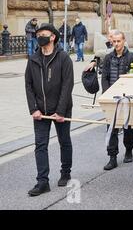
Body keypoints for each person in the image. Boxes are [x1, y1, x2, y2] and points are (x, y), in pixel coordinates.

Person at [24, 23, 74, 196]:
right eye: (38, 35)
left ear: (52, 37)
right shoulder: (33, 59)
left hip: (61, 109)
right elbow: (28, 85)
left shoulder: (63, 58)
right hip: (41, 112)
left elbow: (67, 86)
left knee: (64, 141)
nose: (39, 37)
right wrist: (33, 109)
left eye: (43, 34)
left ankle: (65, 172)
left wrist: (60, 111)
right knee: (40, 145)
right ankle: (42, 181)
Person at [101, 31, 133, 170]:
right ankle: (112, 157)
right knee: (111, 127)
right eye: (114, 41)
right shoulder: (108, 57)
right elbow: (104, 77)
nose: (116, 44)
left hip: (126, 96)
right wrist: (106, 93)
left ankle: (128, 150)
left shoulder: (130, 56)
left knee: (127, 126)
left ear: (123, 41)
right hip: (112, 97)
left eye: (118, 41)